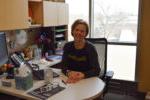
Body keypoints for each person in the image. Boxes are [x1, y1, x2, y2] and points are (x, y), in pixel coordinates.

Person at [62, 19, 100, 83]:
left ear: (85, 34)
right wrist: (68, 73)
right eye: (76, 30)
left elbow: (96, 70)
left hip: (86, 80)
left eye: (82, 31)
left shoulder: (91, 48)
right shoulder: (67, 46)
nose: (79, 33)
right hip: (70, 80)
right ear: (72, 31)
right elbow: (63, 65)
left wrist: (83, 75)